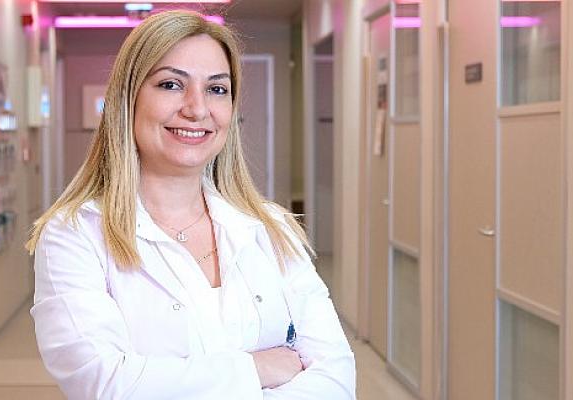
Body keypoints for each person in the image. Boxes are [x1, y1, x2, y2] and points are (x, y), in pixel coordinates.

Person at [26, 10, 355, 399]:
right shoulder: (74, 234)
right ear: (127, 100)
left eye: (216, 89)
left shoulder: (272, 229)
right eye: (171, 84)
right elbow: (106, 383)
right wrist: (256, 369)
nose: (197, 109)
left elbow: (335, 379)